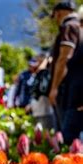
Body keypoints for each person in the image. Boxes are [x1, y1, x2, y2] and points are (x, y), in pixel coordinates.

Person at [48, 1, 83, 143]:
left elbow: (63, 58)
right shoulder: (79, 27)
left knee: (68, 137)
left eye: (55, 15)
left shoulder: (69, 26)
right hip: (77, 90)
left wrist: (54, 88)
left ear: (59, 12)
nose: (56, 19)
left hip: (73, 91)